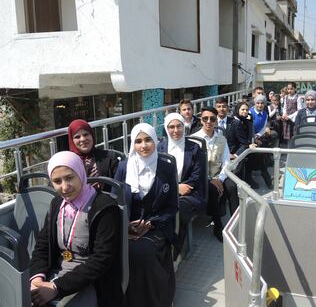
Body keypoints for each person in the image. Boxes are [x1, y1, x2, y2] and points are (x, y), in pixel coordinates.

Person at [30, 151, 122, 307]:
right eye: (57, 181)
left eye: (69, 178)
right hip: (57, 271)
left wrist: (56, 287)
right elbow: (42, 245)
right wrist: (37, 279)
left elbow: (102, 259)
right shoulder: (57, 203)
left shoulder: (104, 207)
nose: (64, 187)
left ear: (81, 173)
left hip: (92, 280)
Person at [114, 123, 178, 307]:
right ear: (132, 144)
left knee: (141, 252)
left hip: (157, 227)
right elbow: (114, 200)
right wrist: (126, 227)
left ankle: (157, 300)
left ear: (156, 141)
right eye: (138, 141)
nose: (144, 145)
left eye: (148, 139)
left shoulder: (166, 168)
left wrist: (150, 224)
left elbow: (172, 206)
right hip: (127, 227)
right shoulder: (124, 168)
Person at [158, 113, 205, 257]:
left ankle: (174, 252)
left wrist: (181, 188)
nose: (176, 130)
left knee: (178, 212)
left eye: (179, 126)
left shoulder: (194, 148)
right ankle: (161, 248)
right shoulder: (160, 148)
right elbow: (157, 174)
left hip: (190, 192)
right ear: (166, 129)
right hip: (166, 191)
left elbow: (196, 176)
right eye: (171, 127)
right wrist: (174, 188)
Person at [192, 107, 238, 240]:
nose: (208, 121)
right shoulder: (195, 139)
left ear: (216, 121)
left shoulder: (221, 139)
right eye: (205, 118)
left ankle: (236, 222)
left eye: (212, 119)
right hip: (202, 177)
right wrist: (210, 178)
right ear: (201, 120)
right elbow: (195, 165)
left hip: (219, 175)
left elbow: (226, 162)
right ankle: (218, 225)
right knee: (211, 189)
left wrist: (220, 178)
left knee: (232, 186)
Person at [67, 119, 121, 187]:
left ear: (92, 135)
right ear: (72, 141)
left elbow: (118, 187)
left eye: (86, 134)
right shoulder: (67, 164)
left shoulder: (110, 158)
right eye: (77, 137)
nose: (83, 139)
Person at [247, 95, 276, 189]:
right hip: (248, 138)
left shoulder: (265, 114)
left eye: (262, 103)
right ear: (255, 103)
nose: (260, 105)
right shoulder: (249, 113)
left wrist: (258, 136)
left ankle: (264, 175)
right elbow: (247, 127)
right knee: (259, 154)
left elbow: (263, 128)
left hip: (258, 138)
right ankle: (266, 178)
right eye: (258, 103)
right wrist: (254, 139)